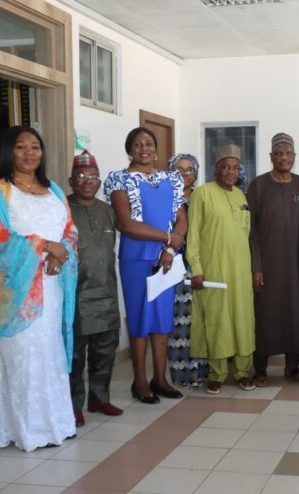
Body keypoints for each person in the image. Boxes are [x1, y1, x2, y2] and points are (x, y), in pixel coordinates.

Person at [0, 126, 78, 451]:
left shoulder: (54, 189)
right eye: (21, 147)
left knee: (49, 351)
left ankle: (55, 424)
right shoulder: (0, 191)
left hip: (54, 284)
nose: (30, 153)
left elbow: (69, 229)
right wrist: (44, 246)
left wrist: (62, 252)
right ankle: (22, 429)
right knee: (22, 356)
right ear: (7, 151)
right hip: (16, 293)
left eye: (35, 147)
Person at [105, 127, 186, 404]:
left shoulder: (170, 178)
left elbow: (181, 218)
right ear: (130, 149)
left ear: (156, 148)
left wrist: (171, 247)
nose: (144, 148)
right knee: (140, 319)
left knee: (163, 321)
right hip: (137, 259)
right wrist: (167, 238)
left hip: (167, 258)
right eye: (137, 144)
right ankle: (139, 382)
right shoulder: (119, 179)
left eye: (149, 143)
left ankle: (160, 379)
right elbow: (127, 224)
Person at [187, 145, 256, 394]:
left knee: (242, 320)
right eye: (225, 167)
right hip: (213, 270)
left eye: (235, 167)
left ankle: (242, 371)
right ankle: (217, 373)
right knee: (217, 320)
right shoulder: (203, 194)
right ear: (215, 169)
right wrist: (196, 267)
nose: (230, 171)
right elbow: (193, 234)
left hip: (241, 271)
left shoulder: (241, 196)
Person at [249, 133, 299, 386]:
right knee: (264, 314)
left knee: (295, 312)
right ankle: (261, 368)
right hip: (267, 265)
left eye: (288, 153)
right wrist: (256, 266)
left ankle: (293, 366)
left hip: (295, 265)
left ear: (294, 157)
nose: (284, 157)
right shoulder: (259, 185)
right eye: (279, 153)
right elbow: (250, 229)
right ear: (271, 157)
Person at [68, 150, 123, 428]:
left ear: (99, 183)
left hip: (107, 291)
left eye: (92, 177)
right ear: (71, 181)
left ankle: (99, 399)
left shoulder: (108, 211)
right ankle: (73, 405)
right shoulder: (62, 209)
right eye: (81, 176)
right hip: (76, 295)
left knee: (105, 350)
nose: (87, 181)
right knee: (75, 355)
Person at [167, 153, 208, 387]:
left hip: (201, 265)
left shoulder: (203, 197)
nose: (185, 174)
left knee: (201, 320)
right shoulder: (165, 197)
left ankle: (203, 372)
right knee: (179, 322)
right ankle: (181, 375)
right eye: (179, 170)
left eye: (190, 169)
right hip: (173, 266)